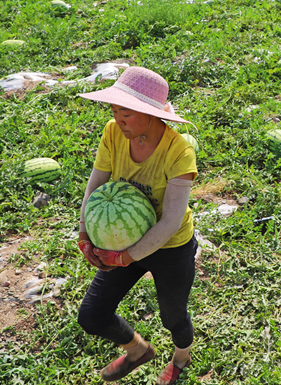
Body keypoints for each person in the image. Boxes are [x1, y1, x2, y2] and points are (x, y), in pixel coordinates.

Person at [76, 66, 198, 385]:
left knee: (173, 317)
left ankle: (181, 359)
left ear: (150, 114)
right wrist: (84, 232)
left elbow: (170, 220)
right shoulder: (113, 133)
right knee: (91, 315)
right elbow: (97, 182)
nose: (118, 119)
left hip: (170, 247)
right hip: (123, 241)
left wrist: (126, 258)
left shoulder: (179, 151)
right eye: (115, 111)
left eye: (126, 113)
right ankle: (137, 350)